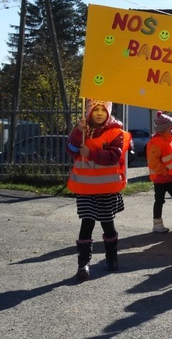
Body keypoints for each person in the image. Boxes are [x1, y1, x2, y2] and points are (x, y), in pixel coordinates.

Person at [66, 99, 126, 281]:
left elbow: (114, 156)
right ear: (89, 112)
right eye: (95, 109)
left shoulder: (116, 132)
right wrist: (77, 131)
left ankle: (111, 258)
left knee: (108, 224)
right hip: (86, 188)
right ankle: (83, 264)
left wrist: (91, 153)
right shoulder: (82, 130)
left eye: (103, 110)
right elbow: (70, 149)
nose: (99, 113)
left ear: (108, 112)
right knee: (87, 224)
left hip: (106, 188)